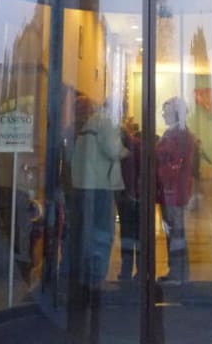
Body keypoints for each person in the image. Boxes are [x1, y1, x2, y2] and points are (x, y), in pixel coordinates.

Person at [67, 96, 128, 342]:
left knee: (85, 230)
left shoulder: (87, 123)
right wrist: (127, 150)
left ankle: (82, 275)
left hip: (82, 183)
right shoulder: (106, 122)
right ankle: (96, 278)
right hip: (100, 184)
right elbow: (113, 150)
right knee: (102, 232)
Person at [155, 96, 197, 285]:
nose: (163, 115)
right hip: (170, 190)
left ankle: (178, 274)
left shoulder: (178, 135)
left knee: (176, 233)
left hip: (173, 191)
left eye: (167, 112)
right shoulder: (177, 134)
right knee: (174, 232)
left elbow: (172, 163)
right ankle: (177, 272)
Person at [115, 117, 141, 281]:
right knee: (136, 234)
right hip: (132, 195)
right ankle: (138, 270)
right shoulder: (136, 145)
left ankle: (127, 270)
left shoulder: (128, 147)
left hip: (128, 195)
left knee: (128, 234)